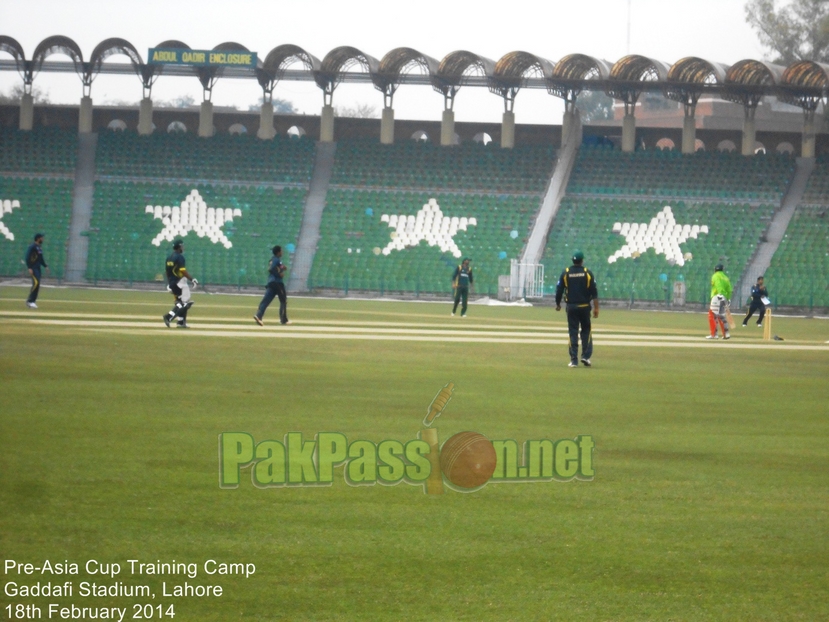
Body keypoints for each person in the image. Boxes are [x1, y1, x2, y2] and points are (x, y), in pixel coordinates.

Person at [555, 250, 599, 367]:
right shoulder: (587, 273)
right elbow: (594, 292)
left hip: (571, 307)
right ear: (582, 260)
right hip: (585, 307)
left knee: (573, 332)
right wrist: (596, 308)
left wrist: (558, 304)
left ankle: (574, 360)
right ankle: (585, 356)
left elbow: (559, 290)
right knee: (586, 331)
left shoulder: (566, 273)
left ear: (573, 260)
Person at [162, 239, 198, 328]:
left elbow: (166, 272)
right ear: (179, 247)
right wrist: (192, 279)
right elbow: (183, 271)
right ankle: (168, 316)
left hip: (172, 283)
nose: (183, 247)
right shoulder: (179, 257)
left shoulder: (169, 257)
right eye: (182, 246)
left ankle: (181, 322)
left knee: (180, 302)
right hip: (179, 282)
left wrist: (169, 283)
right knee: (184, 303)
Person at [254, 245, 290, 326]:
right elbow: (271, 269)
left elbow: (277, 266)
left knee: (266, 300)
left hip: (271, 283)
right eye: (281, 251)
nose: (282, 252)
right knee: (283, 300)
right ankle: (283, 320)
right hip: (277, 283)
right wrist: (279, 274)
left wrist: (283, 267)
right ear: (278, 252)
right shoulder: (277, 260)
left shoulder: (273, 259)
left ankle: (258, 316)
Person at [708, 263, 732, 339]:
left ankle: (714, 334)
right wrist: (728, 299)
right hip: (724, 297)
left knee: (712, 315)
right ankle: (726, 334)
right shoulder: (726, 277)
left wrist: (720, 294)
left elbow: (718, 285)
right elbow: (729, 289)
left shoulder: (715, 276)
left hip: (717, 297)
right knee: (721, 316)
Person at [25, 232, 48, 309]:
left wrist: (45, 266)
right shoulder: (32, 246)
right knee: (36, 283)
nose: (43, 239)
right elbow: (27, 257)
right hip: (33, 268)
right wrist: (29, 267)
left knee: (37, 284)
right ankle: (30, 301)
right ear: (38, 238)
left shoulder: (39, 247)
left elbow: (40, 258)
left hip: (38, 268)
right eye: (42, 237)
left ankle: (32, 301)